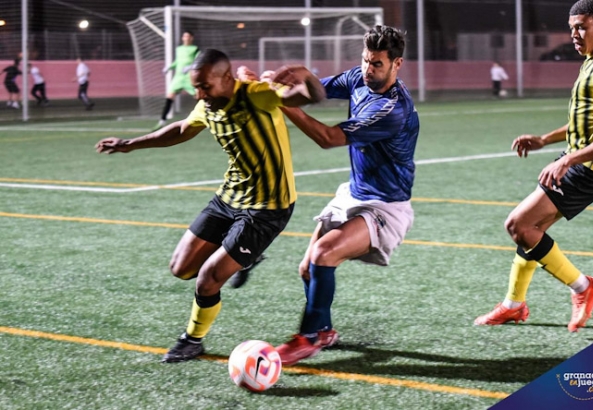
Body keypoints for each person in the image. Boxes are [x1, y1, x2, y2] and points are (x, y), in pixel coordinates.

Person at [95, 49, 325, 363]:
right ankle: (245, 258)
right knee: (181, 268)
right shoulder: (207, 105)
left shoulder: (259, 95)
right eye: (196, 88)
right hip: (229, 197)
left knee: (207, 278)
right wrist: (128, 144)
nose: (200, 94)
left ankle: (192, 339)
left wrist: (305, 73)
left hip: (268, 207)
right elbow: (179, 130)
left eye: (205, 86)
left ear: (226, 78)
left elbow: (312, 96)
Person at [272, 25, 419, 366]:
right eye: (367, 61)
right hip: (353, 192)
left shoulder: (392, 109)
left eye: (378, 64)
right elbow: (316, 92)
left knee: (324, 253)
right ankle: (323, 330)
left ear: (397, 64)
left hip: (385, 205)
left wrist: (283, 105)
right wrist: (295, 79)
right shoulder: (359, 77)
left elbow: (327, 137)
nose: (369, 69)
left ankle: (307, 338)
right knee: (308, 269)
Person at [474, 0, 593, 332]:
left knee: (519, 225)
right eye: (572, 28)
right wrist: (544, 140)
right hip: (584, 159)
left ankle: (583, 287)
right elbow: (588, 123)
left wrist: (568, 159)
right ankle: (513, 305)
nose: (575, 35)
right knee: (532, 233)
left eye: (583, 27)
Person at [154, 31, 200, 130]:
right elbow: (177, 61)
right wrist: (169, 67)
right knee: (169, 97)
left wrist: (189, 67)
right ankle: (162, 121)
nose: (186, 38)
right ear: (182, 38)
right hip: (178, 77)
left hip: (188, 77)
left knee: (199, 97)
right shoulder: (179, 49)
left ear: (192, 38)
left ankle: (208, 118)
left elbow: (198, 61)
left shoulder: (195, 49)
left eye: (188, 36)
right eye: (184, 36)